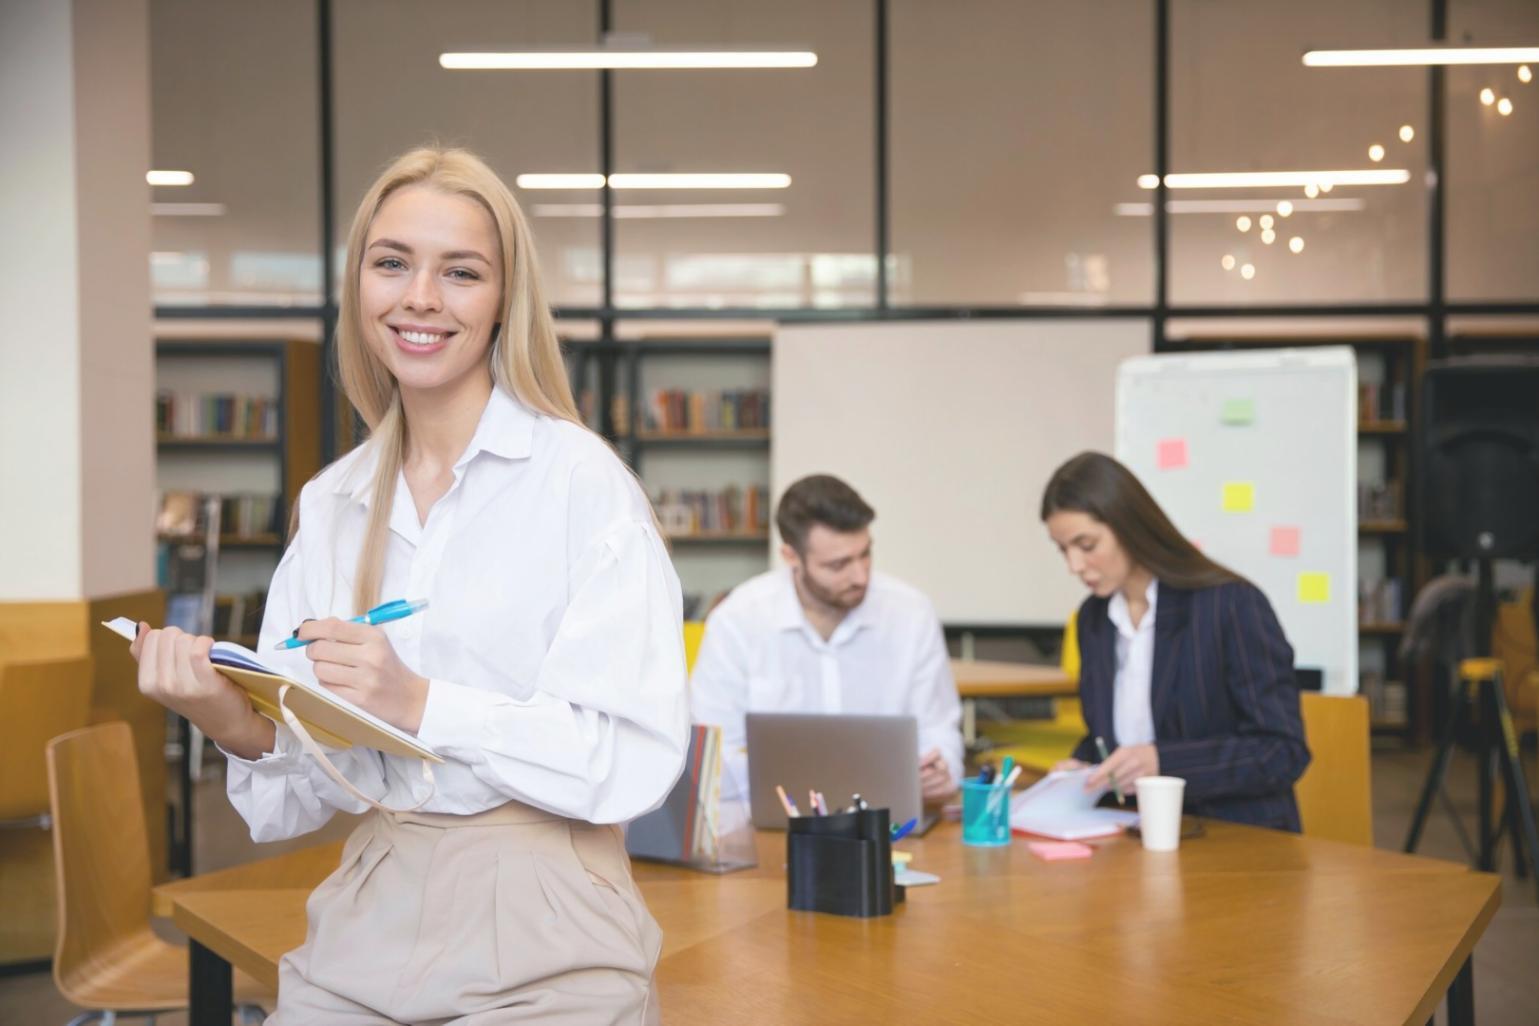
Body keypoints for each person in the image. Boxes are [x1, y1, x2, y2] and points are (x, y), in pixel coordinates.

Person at [130, 146, 687, 1024]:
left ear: (505, 300)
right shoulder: (334, 502)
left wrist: (421, 702)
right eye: (391, 263)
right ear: (360, 285)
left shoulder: (580, 483)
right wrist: (219, 711)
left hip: (550, 922)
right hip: (371, 900)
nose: (419, 297)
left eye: (460, 272)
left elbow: (628, 757)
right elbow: (299, 792)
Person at [1041, 451, 1310, 832]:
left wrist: (1163, 764)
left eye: (1087, 546)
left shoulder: (1231, 605)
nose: (1075, 566)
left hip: (1234, 842)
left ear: (1129, 525)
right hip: (1134, 839)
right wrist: (1083, 770)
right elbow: (1111, 738)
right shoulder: (1094, 619)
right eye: (1062, 550)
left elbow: (1282, 752)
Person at [690, 474, 963, 805]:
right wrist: (810, 786)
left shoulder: (911, 613)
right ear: (791, 556)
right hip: (774, 829)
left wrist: (941, 771)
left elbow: (941, 730)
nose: (860, 576)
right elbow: (711, 760)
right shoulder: (737, 621)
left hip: (890, 824)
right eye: (838, 565)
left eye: (865, 554)